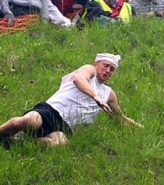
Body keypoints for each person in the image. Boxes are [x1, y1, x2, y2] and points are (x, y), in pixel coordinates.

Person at [0, 53, 142, 148]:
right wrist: (95, 97)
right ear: (96, 63)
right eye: (106, 66)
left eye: (112, 69)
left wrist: (140, 129)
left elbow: (120, 117)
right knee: (31, 121)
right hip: (50, 111)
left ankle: (19, 141)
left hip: (65, 127)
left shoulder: (109, 94)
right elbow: (78, 79)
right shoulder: (89, 70)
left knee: (58, 144)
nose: (108, 70)